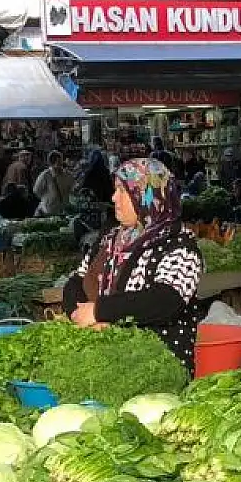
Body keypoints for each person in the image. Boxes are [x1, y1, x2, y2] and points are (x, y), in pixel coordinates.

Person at [62, 158, 203, 370]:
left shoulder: (179, 246)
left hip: (155, 367)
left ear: (145, 196)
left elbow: (166, 300)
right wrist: (79, 314)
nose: (113, 198)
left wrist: (100, 311)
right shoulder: (110, 240)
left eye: (122, 191)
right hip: (104, 359)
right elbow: (77, 279)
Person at [33, 150, 74, 217]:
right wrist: (47, 199)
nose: (60, 164)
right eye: (58, 162)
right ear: (51, 163)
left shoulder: (67, 175)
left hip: (63, 210)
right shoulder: (45, 175)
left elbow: (72, 188)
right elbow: (36, 191)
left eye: (61, 161)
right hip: (48, 211)